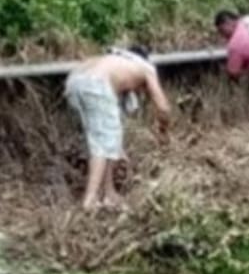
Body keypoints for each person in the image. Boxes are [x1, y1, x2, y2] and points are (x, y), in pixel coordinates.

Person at [65, 47, 171, 211]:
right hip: (96, 85)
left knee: (109, 139)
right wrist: (164, 131)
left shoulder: (113, 60)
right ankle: (90, 199)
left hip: (74, 84)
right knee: (102, 143)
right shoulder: (145, 67)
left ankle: (109, 193)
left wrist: (120, 149)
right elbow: (163, 108)